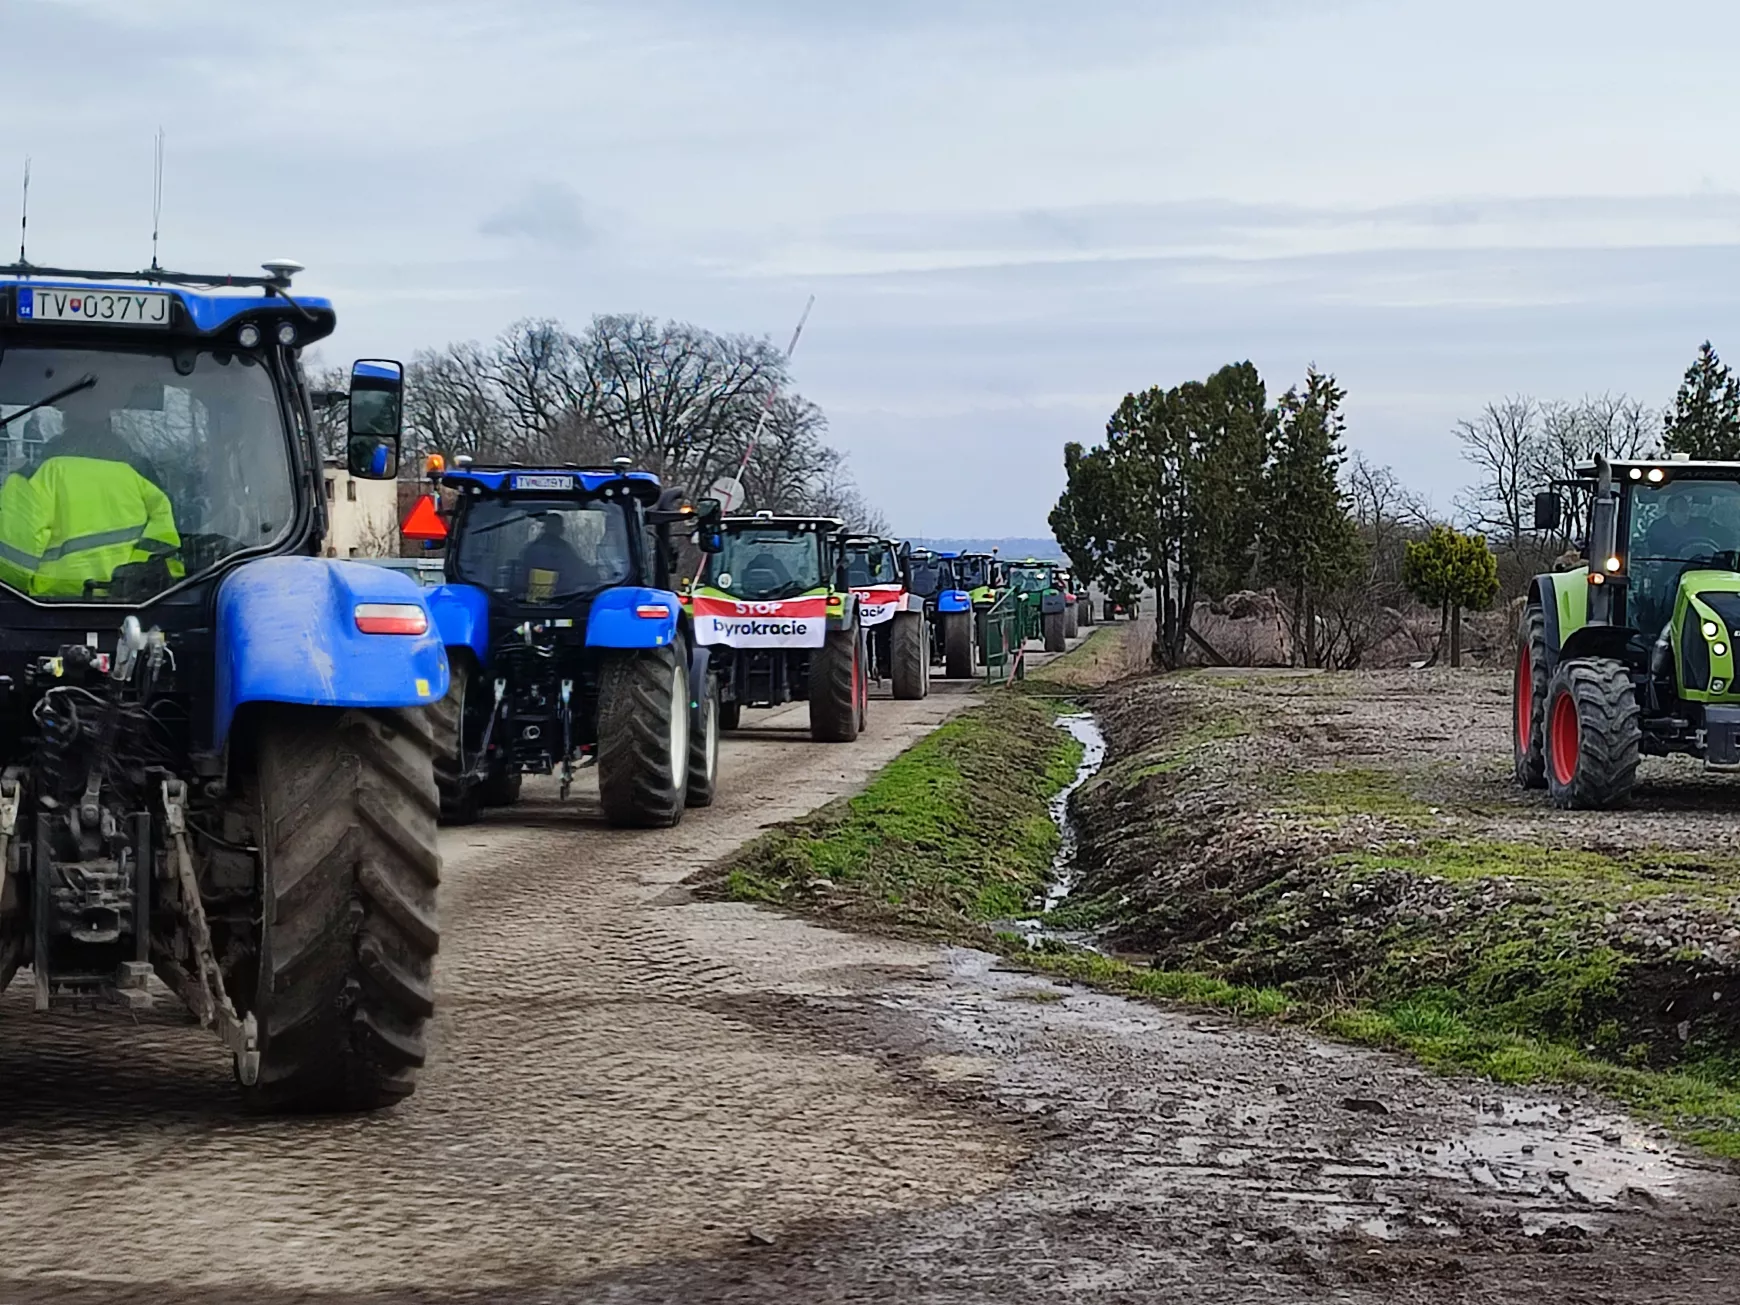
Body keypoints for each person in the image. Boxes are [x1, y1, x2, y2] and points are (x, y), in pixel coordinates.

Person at [0, 401, 182, 598]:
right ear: (108, 424)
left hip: (52, 606)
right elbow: (164, 539)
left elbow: (13, 564)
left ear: (65, 422)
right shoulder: (142, 473)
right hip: (135, 602)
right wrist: (136, 578)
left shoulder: (35, 476)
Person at [518, 512, 586, 602]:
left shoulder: (530, 548)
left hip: (529, 603)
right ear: (560, 529)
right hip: (563, 601)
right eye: (558, 526)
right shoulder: (564, 550)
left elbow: (521, 575)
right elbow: (577, 571)